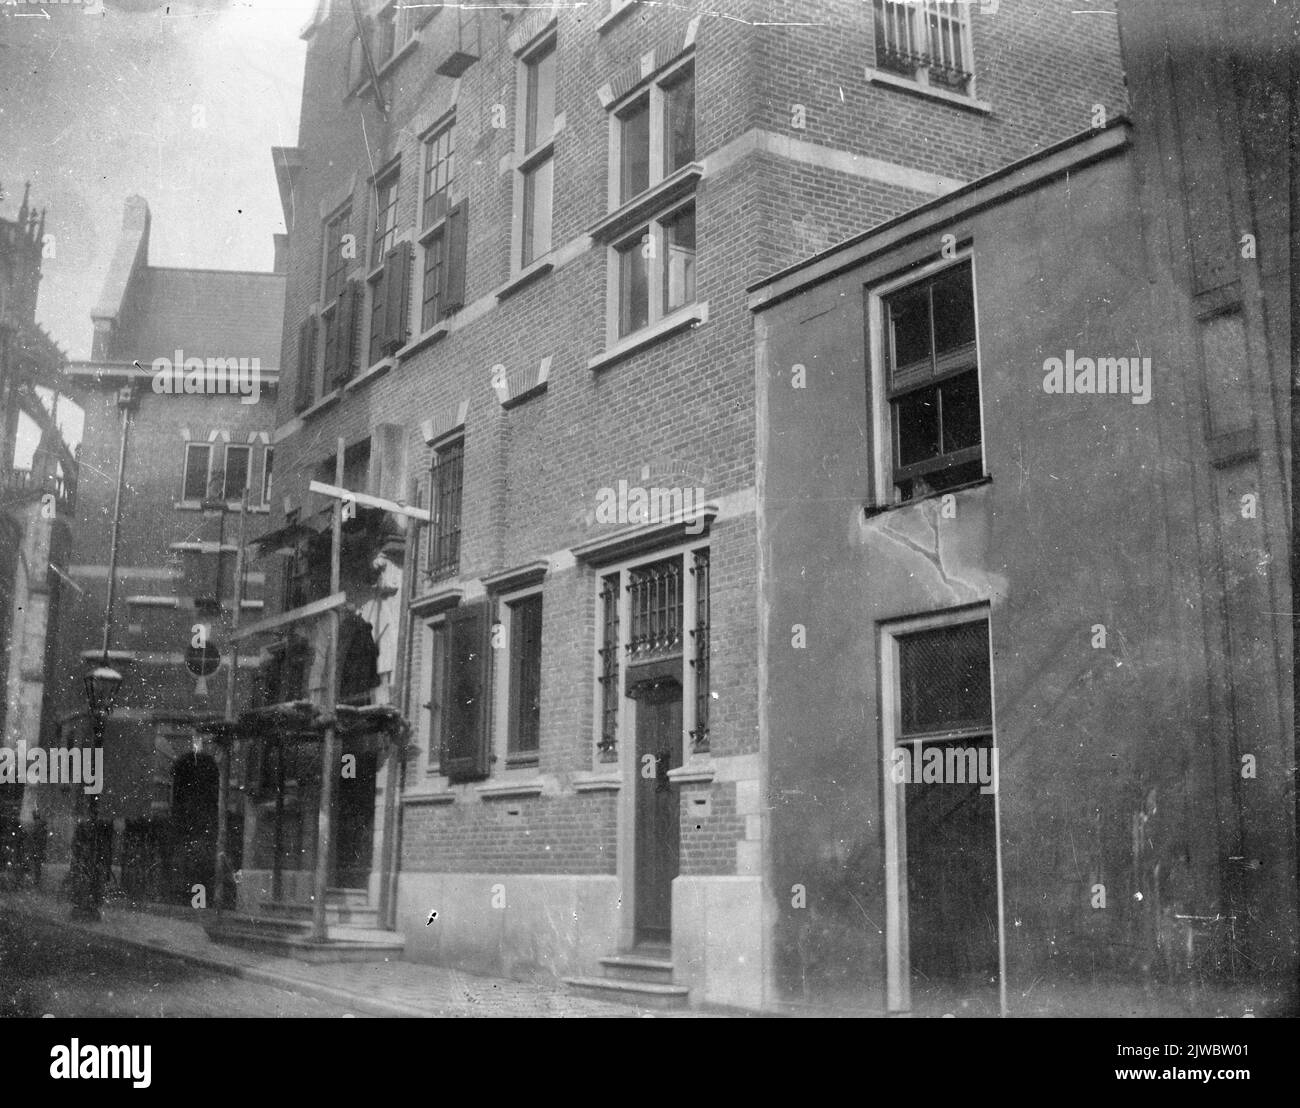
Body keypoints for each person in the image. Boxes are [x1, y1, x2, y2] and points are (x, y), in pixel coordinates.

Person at [27, 810, 48, 889]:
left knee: (35, 864)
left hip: (35, 848)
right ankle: (37, 879)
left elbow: (31, 837)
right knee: (38, 865)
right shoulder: (42, 825)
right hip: (40, 848)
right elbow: (44, 838)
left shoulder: (34, 825)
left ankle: (36, 880)